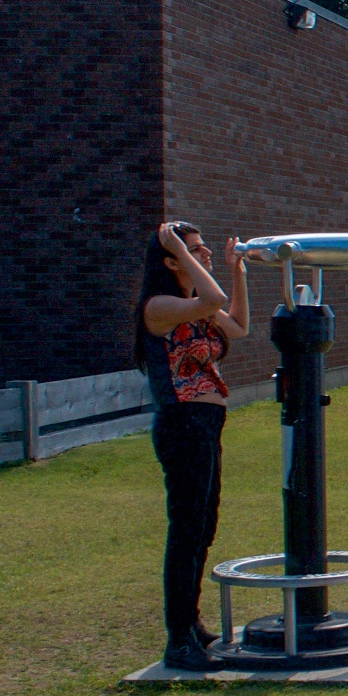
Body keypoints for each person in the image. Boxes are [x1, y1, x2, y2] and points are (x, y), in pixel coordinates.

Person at [135, 221, 249, 670]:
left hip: (206, 424)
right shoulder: (160, 308)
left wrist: (235, 268)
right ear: (170, 261)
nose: (203, 256)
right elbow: (214, 300)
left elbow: (237, 324)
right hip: (182, 426)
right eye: (193, 251)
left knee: (203, 527)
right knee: (185, 531)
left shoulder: (193, 306)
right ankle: (178, 639)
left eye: (202, 250)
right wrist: (184, 253)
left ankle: (191, 624)